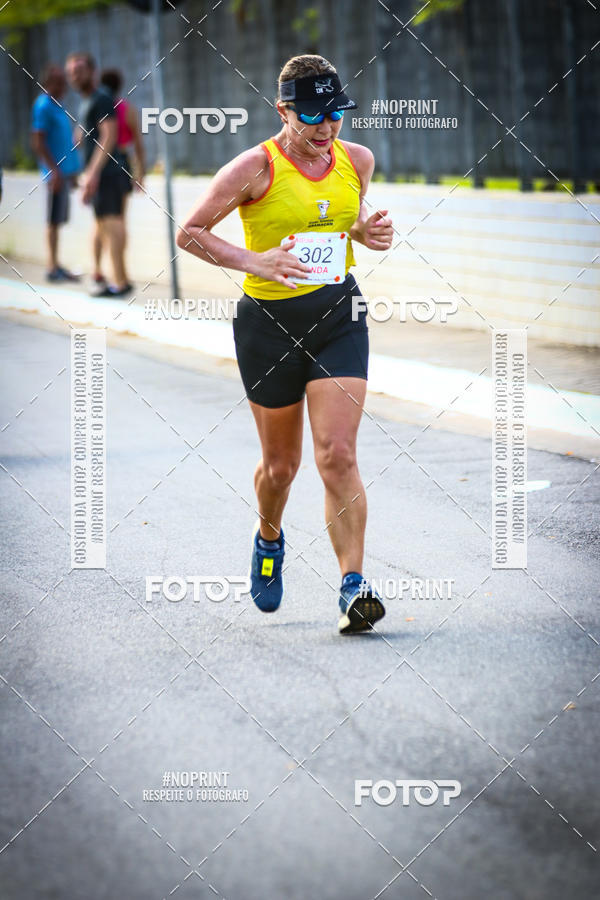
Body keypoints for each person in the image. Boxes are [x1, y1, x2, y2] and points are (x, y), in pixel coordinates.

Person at [177, 54, 394, 634]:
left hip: (338, 315)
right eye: (314, 116)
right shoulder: (254, 167)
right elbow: (190, 232)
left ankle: (353, 585)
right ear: (284, 110)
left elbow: (338, 223)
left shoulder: (357, 160)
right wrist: (255, 261)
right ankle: (269, 536)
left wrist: (365, 234)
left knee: (337, 454)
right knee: (281, 467)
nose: (326, 128)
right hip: (267, 327)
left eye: (336, 114)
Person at [65, 52, 132, 297]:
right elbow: (86, 137)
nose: (75, 75)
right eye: (72, 71)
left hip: (109, 174)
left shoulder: (101, 98)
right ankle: (117, 280)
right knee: (105, 225)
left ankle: (120, 282)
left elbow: (109, 135)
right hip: (102, 174)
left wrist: (92, 174)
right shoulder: (87, 102)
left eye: (80, 70)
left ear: (92, 71)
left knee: (112, 225)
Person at [95, 68, 146, 292]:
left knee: (100, 224)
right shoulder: (128, 109)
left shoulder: (97, 106)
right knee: (118, 222)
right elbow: (139, 144)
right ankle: (119, 273)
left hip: (104, 166)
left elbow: (79, 137)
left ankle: (102, 271)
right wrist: (140, 172)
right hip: (122, 163)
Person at [30, 64, 81, 282]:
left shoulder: (57, 105)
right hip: (55, 175)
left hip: (64, 173)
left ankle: (56, 264)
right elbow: (38, 142)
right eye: (59, 81)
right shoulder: (43, 106)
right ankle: (52, 267)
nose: (64, 85)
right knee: (53, 220)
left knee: (58, 220)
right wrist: (54, 171)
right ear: (48, 83)